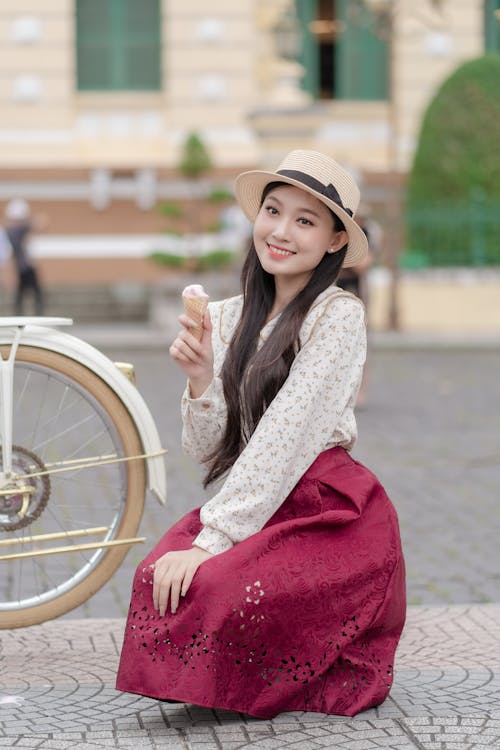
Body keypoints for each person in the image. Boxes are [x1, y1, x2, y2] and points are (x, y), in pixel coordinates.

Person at [116, 150, 406, 718]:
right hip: (254, 499)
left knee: (219, 587)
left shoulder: (336, 315)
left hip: (328, 511)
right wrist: (201, 381)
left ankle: (266, 674)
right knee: (157, 576)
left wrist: (212, 540)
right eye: (273, 211)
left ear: (332, 243)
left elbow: (288, 435)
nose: (280, 230)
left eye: (304, 220)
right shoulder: (226, 316)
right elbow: (208, 451)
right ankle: (219, 678)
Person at [4, 198, 45, 315]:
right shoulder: (15, 230)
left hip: (21, 267)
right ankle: (36, 313)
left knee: (22, 294)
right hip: (24, 268)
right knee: (34, 293)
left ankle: (20, 314)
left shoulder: (9, 231)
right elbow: (40, 224)